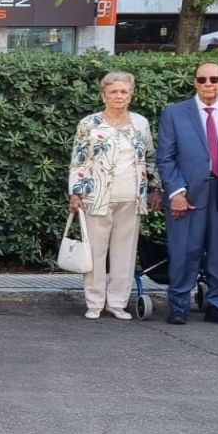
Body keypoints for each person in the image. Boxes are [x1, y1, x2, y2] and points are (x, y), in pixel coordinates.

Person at [158, 61, 218, 326]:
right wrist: (176, 192)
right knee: (183, 251)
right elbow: (166, 159)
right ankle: (178, 305)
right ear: (194, 82)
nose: (208, 85)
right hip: (187, 195)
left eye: (213, 79)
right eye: (202, 80)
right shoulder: (174, 114)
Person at [68, 71, 158, 319]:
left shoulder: (140, 123)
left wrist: (155, 188)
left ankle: (117, 303)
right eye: (113, 92)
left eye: (124, 92)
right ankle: (94, 303)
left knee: (125, 253)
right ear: (103, 95)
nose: (119, 96)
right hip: (95, 197)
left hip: (131, 198)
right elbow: (79, 161)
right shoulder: (89, 124)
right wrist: (76, 193)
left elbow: (150, 157)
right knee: (95, 252)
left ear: (131, 94)